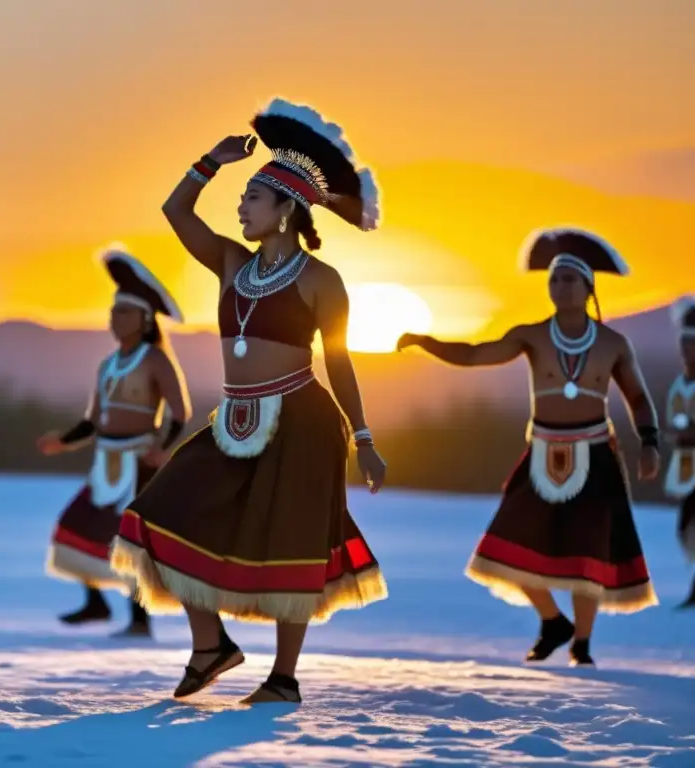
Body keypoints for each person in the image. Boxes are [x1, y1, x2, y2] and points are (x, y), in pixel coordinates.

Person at [111, 98, 389, 705]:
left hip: (305, 420)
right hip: (234, 418)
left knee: (295, 539)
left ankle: (283, 679)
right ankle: (211, 646)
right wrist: (212, 162)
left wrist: (363, 438)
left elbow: (339, 363)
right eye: (242, 199)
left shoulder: (322, 281)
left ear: (285, 209)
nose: (241, 206)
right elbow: (174, 210)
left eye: (253, 198)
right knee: (161, 510)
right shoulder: (231, 263)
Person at [398, 227, 659, 666]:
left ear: (588, 286)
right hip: (541, 453)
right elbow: (476, 354)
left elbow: (638, 398)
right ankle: (552, 621)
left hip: (595, 455)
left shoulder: (613, 344)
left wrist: (650, 441)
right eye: (554, 279)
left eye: (570, 279)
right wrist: (428, 342)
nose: (561, 287)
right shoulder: (531, 336)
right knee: (507, 543)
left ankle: (582, 644)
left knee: (587, 557)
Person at [37, 247, 191, 637]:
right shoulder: (108, 364)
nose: (114, 319)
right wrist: (64, 441)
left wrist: (162, 448)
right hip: (106, 460)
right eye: (112, 312)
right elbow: (93, 420)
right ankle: (95, 603)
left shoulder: (156, 360)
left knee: (132, 542)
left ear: (143, 319)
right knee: (74, 525)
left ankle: (139, 620)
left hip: (139, 459)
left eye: (123, 312)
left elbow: (179, 413)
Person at [665, 296, 695, 608]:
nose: (687, 351)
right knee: (685, 526)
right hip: (687, 463)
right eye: (684, 345)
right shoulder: (680, 384)